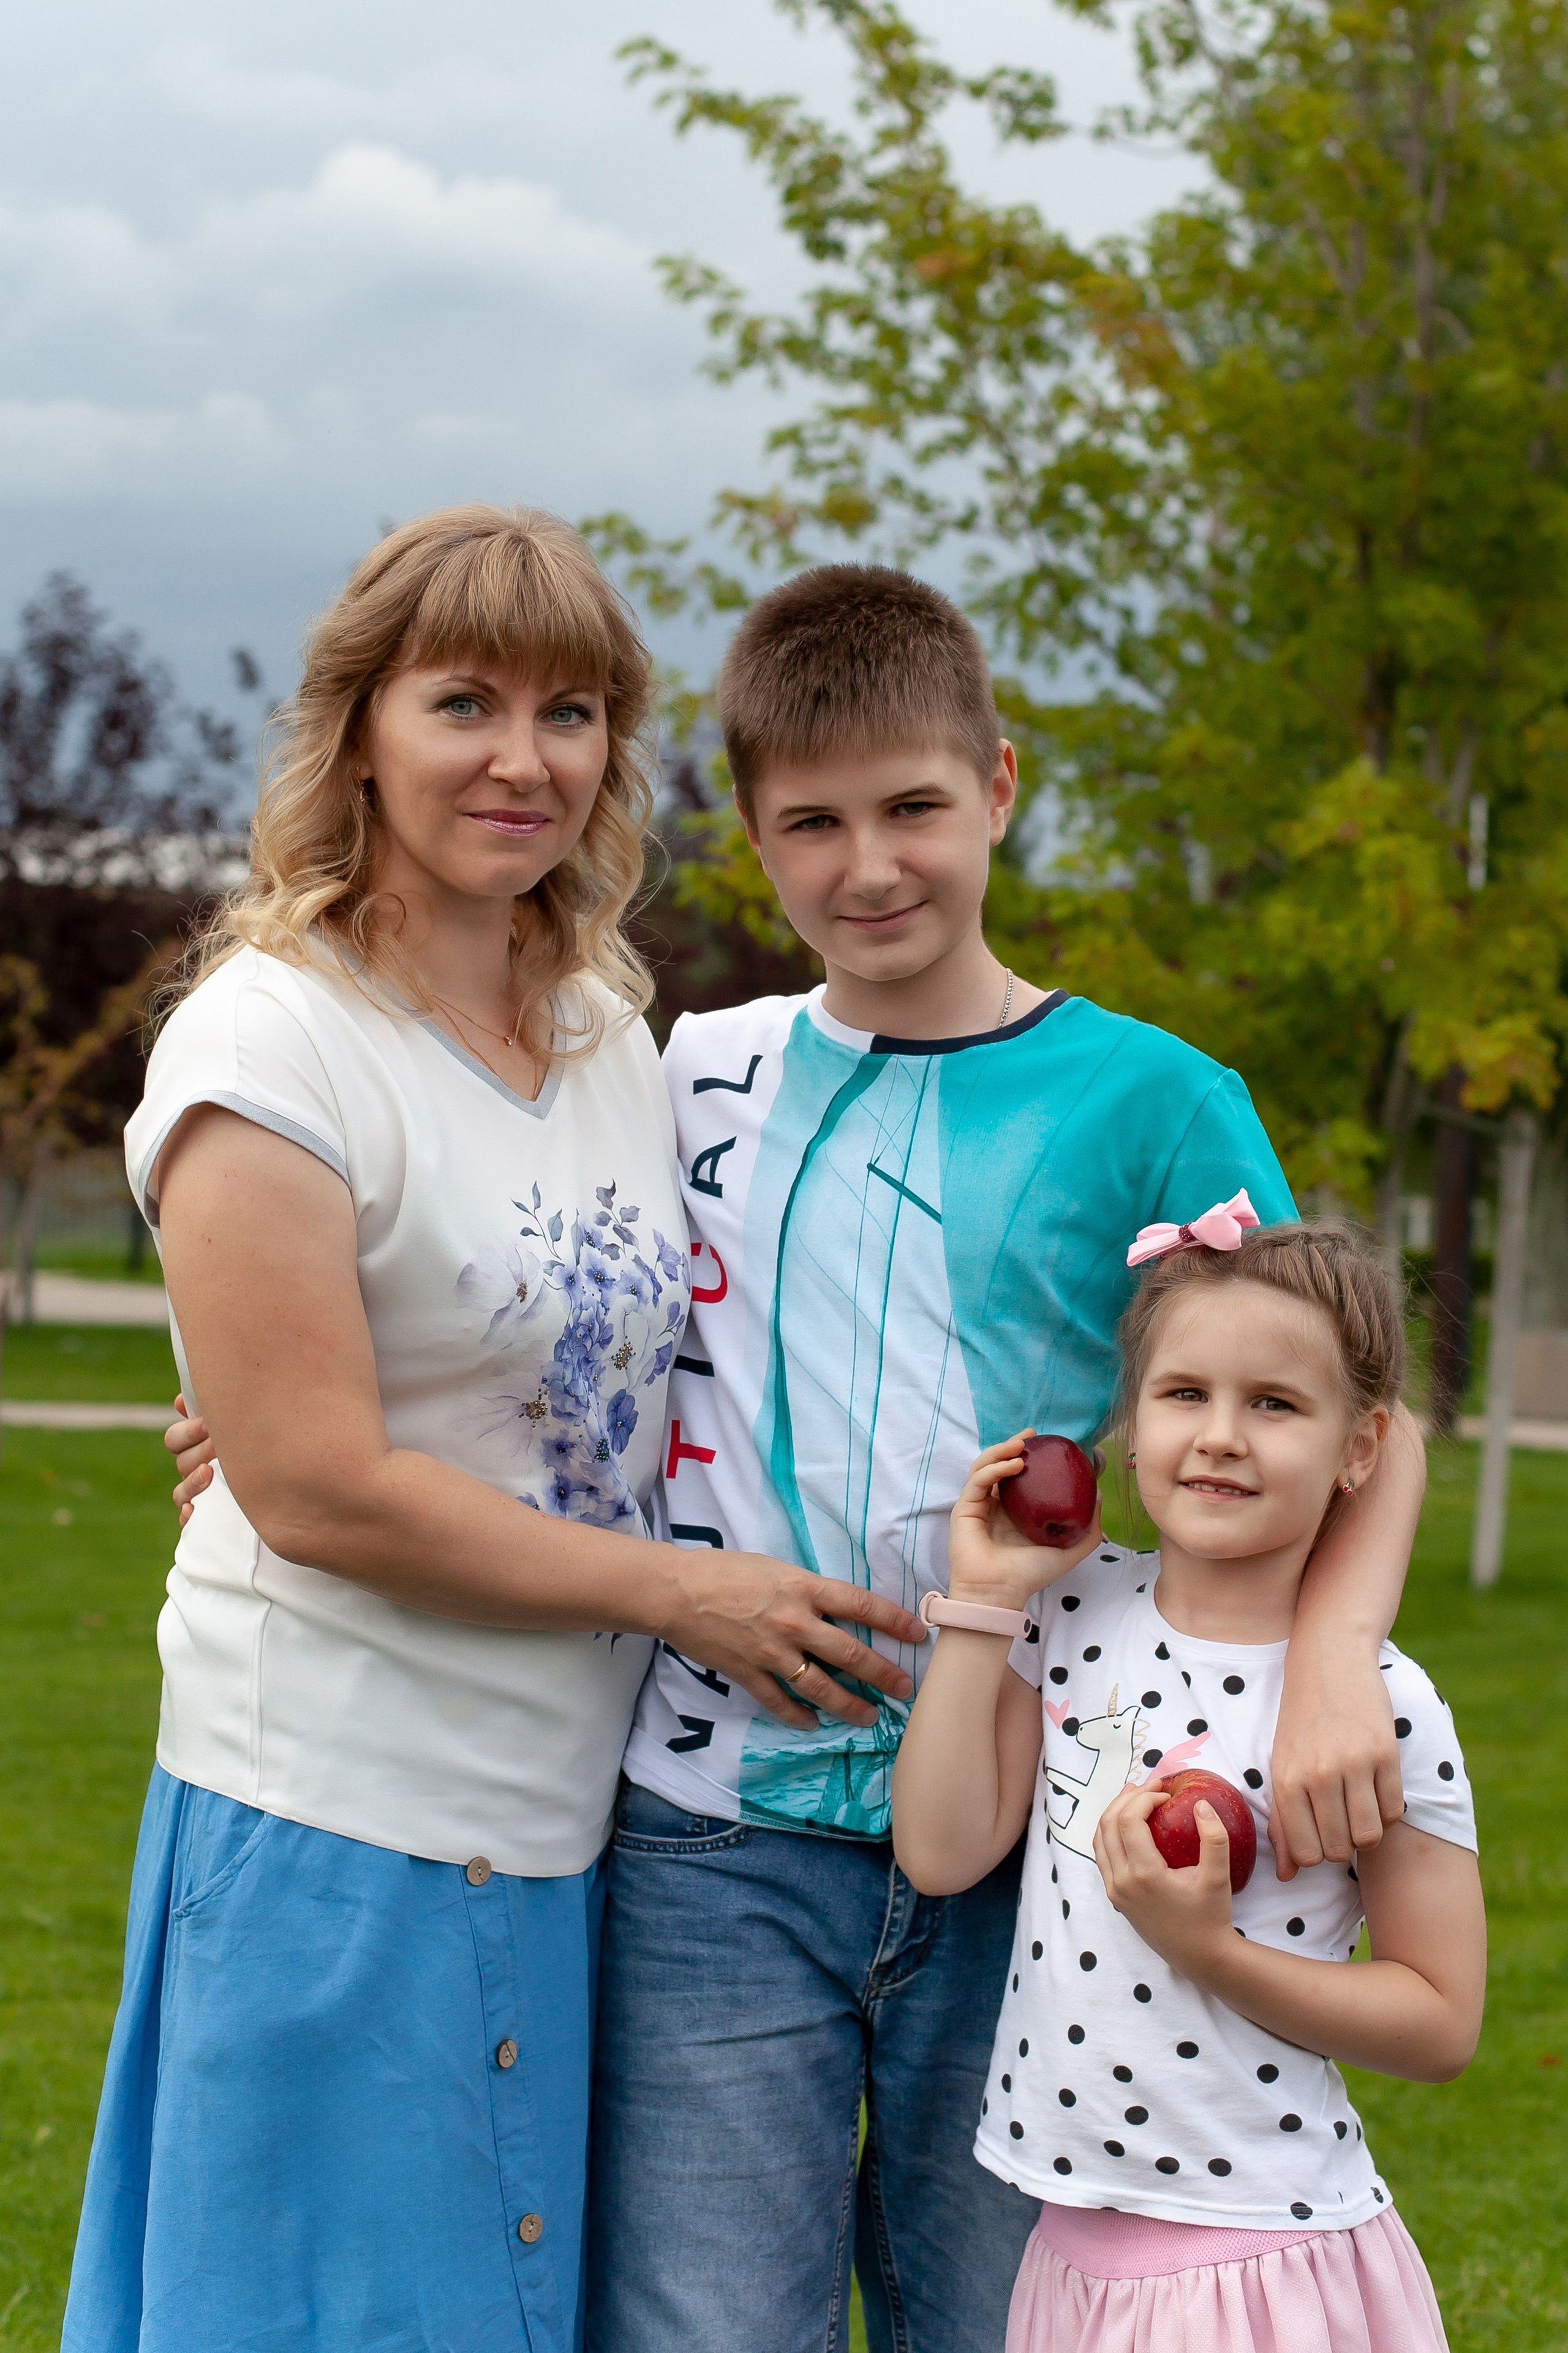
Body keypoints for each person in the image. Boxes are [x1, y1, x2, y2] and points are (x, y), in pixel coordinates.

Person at [67, 508, 921, 2353]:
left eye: (573, 710)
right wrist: (685, 1597)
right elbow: (314, 1488)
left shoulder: (609, 1020)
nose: (524, 759)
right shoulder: (269, 1045)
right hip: (340, 1813)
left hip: (565, 1818)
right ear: (358, 728)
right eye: (465, 701)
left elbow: (595, 1355)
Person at [582, 568, 1431, 2352]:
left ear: (1001, 789)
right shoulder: (690, 1073)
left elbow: (1360, 1414)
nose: (868, 865)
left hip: (1048, 1831)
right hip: (714, 1831)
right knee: (709, 2326)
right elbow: (540, 1312)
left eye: (914, 807)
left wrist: (1338, 1661)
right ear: (750, 835)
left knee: (1001, 2320)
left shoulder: (1156, 1098)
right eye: (812, 822)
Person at [893, 1219, 1483, 2352]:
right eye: (1183, 1393)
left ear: (1360, 1447)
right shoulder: (1071, 1611)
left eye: (1275, 1403)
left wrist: (1212, 1951)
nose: (1219, 1437)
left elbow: (1442, 2020)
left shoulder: (1378, 1706)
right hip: (1069, 2251)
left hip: (1259, 2263)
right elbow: (942, 1848)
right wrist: (983, 1601)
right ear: (1129, 1421)